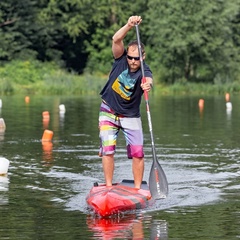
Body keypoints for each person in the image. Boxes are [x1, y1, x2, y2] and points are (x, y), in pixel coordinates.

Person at [98, 15, 153, 189]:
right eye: (130, 57)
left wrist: (147, 85)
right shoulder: (120, 58)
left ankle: (137, 189)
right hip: (108, 111)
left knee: (138, 153)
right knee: (108, 150)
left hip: (130, 115)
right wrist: (129, 25)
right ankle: (108, 187)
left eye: (136, 59)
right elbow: (116, 39)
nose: (132, 62)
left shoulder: (145, 69)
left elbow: (149, 80)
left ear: (143, 57)